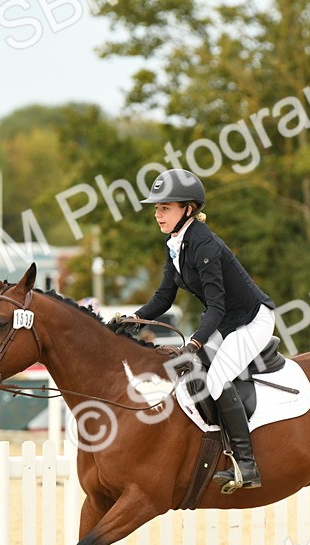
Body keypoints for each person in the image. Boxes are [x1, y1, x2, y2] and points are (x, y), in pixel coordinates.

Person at [128, 168, 277, 491]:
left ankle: (248, 464)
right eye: (157, 208)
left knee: (216, 378)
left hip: (252, 320)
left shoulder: (204, 244)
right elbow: (164, 296)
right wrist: (133, 319)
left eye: (165, 207)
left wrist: (194, 343)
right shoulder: (176, 244)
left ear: (188, 210)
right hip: (226, 323)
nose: (157, 214)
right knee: (191, 374)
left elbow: (217, 306)